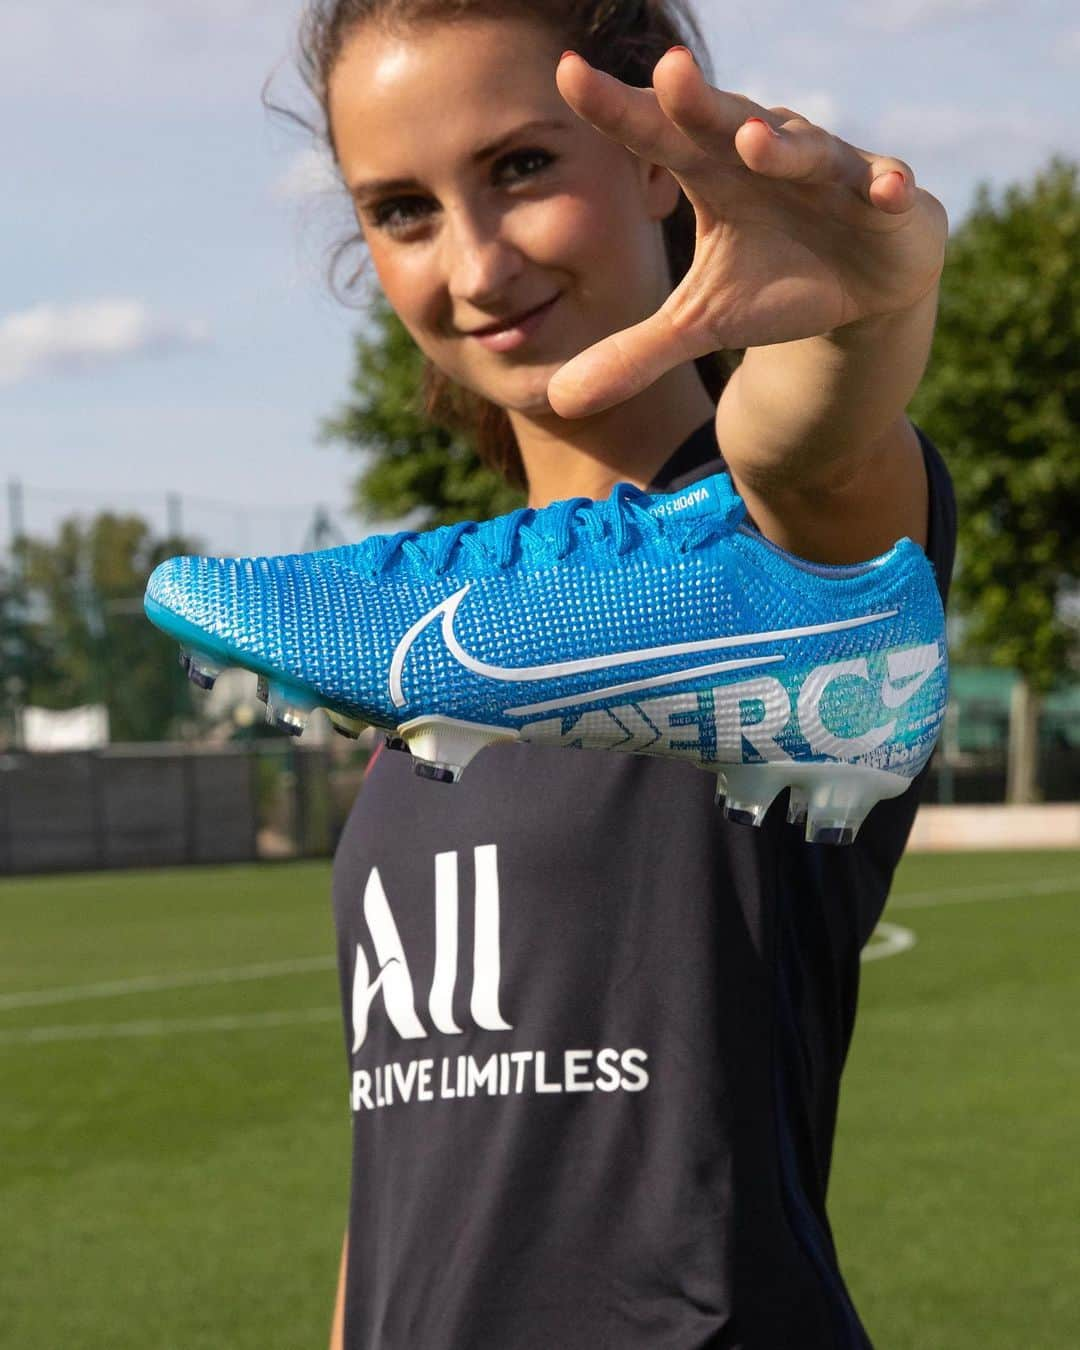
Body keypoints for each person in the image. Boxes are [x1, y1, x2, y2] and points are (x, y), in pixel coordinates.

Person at [287, 2, 956, 1345]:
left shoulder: (771, 558)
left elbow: (813, 448)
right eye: (403, 210)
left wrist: (857, 315)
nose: (473, 266)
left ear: (657, 159)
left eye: (523, 167)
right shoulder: (421, 634)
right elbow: (412, 1176)